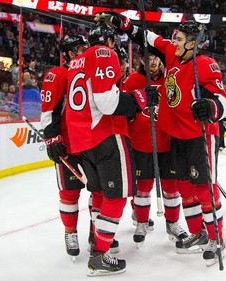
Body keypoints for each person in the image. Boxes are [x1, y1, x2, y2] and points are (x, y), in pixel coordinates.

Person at [99, 12, 226, 266]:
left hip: (199, 136)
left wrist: (211, 107)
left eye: (179, 39)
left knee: (204, 189)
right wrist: (125, 25)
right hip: (177, 137)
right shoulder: (172, 54)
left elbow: (223, 100)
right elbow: (148, 38)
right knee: (185, 189)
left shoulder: (204, 64)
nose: (174, 42)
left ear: (192, 43)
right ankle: (198, 233)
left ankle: (217, 239)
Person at [63, 24, 158, 276]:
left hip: (83, 140)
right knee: (116, 197)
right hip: (106, 135)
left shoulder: (76, 62)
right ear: (111, 42)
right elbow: (108, 103)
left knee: (101, 194)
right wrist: (140, 99)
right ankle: (99, 255)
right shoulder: (104, 54)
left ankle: (97, 241)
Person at [120, 50, 188, 247]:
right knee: (142, 188)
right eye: (147, 58)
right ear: (141, 60)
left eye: (156, 57)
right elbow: (124, 110)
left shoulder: (170, 79)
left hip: (167, 142)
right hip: (140, 143)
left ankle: (173, 224)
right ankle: (141, 223)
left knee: (171, 188)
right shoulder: (133, 80)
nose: (152, 61)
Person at [40, 35, 91, 261]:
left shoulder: (90, 73)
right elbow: (48, 110)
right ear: (70, 53)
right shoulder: (59, 74)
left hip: (92, 144)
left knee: (98, 191)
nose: (85, 52)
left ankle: (97, 231)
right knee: (69, 194)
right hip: (69, 145)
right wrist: (52, 138)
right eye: (81, 49)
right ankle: (70, 233)